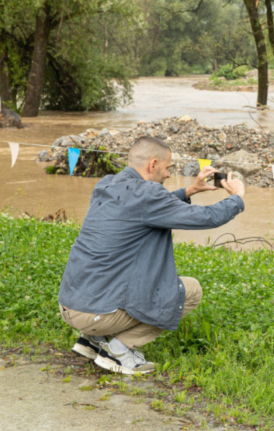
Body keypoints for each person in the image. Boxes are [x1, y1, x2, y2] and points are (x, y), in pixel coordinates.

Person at [58, 135, 245, 375]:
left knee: (124, 271)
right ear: (153, 165)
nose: (169, 175)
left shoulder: (106, 184)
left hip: (71, 304)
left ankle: (91, 340)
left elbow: (149, 207)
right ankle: (118, 351)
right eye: (168, 168)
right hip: (95, 313)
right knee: (190, 291)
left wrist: (190, 190)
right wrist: (237, 198)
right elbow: (207, 217)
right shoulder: (148, 195)